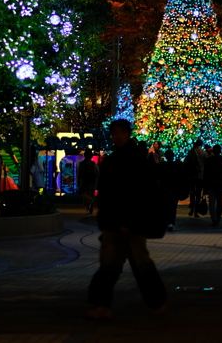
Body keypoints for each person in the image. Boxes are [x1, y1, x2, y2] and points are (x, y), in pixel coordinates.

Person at [85, 119, 168, 320]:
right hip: (114, 223)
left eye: (122, 132)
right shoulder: (112, 160)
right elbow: (106, 194)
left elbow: (143, 194)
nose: (118, 136)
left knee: (139, 263)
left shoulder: (137, 160)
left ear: (128, 134)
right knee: (109, 264)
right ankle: (102, 305)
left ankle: (157, 302)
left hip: (132, 224)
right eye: (115, 133)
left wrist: (130, 221)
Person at [161, 149, 187, 231]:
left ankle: (168, 222)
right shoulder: (177, 165)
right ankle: (172, 222)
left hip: (166, 188)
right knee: (173, 206)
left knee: (167, 205)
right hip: (175, 188)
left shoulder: (163, 166)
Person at [203, 144, 222, 226]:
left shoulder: (208, 161)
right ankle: (218, 216)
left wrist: (205, 185)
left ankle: (214, 218)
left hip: (211, 183)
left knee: (212, 202)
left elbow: (205, 173)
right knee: (220, 202)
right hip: (220, 184)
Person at [184, 140, 207, 217]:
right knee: (198, 193)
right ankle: (196, 210)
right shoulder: (204, 153)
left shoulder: (191, 152)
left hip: (192, 175)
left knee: (192, 192)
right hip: (201, 175)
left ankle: (192, 208)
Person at [77, 149, 98, 214]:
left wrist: (79, 183)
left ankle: (90, 203)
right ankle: (90, 204)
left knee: (85, 193)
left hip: (84, 181)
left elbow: (79, 174)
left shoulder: (82, 164)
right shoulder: (93, 164)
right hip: (92, 181)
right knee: (91, 194)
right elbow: (97, 173)